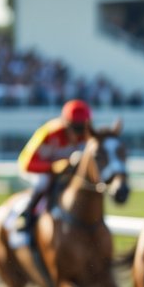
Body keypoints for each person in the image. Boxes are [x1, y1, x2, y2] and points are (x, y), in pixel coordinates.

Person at [15, 99, 93, 231]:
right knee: (43, 181)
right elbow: (28, 163)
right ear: (66, 122)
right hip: (35, 169)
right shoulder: (50, 133)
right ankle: (26, 215)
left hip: (63, 170)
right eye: (75, 127)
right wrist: (53, 167)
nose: (78, 133)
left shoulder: (88, 135)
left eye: (82, 127)